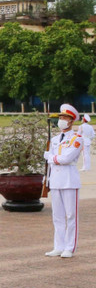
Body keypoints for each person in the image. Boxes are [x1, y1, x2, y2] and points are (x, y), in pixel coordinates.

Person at [45, 104, 83, 258]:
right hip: (55, 181)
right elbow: (52, 162)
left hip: (69, 181)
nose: (61, 120)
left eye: (64, 118)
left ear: (71, 121)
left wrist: (51, 157)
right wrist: (47, 179)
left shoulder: (77, 139)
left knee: (71, 215)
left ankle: (70, 247)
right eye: (60, 118)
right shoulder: (54, 139)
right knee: (57, 216)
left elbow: (66, 158)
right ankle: (58, 246)